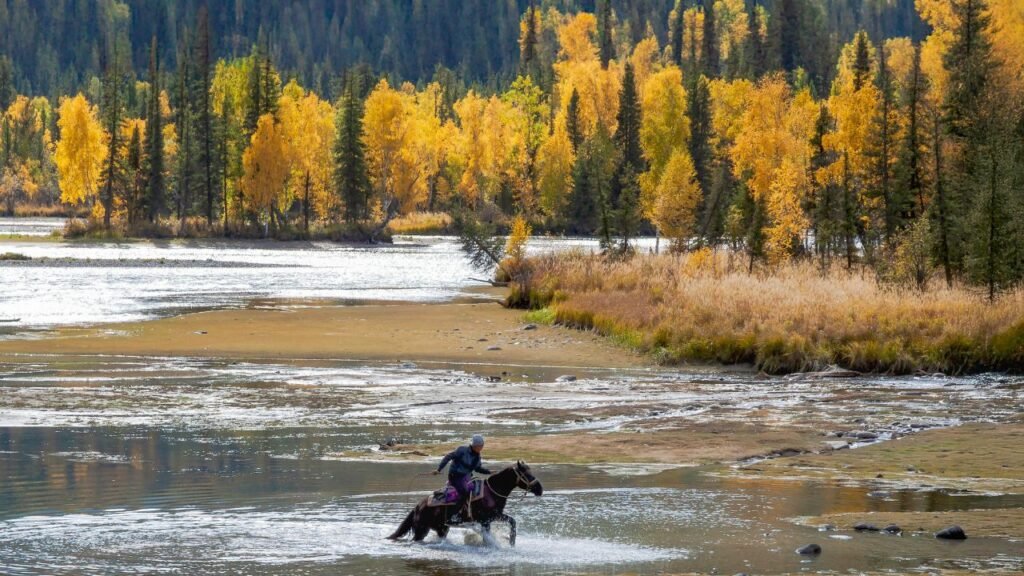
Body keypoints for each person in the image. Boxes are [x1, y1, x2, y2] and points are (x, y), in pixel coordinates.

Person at [434, 434, 491, 522]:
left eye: (482, 446)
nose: (481, 448)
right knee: (464, 492)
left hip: (466, 477)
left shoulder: (477, 457)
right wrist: (439, 469)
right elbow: (448, 457)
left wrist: (490, 472)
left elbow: (478, 469)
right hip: (455, 476)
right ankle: (454, 515)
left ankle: (470, 512)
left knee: (478, 488)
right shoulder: (461, 450)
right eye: (480, 446)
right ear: (474, 445)